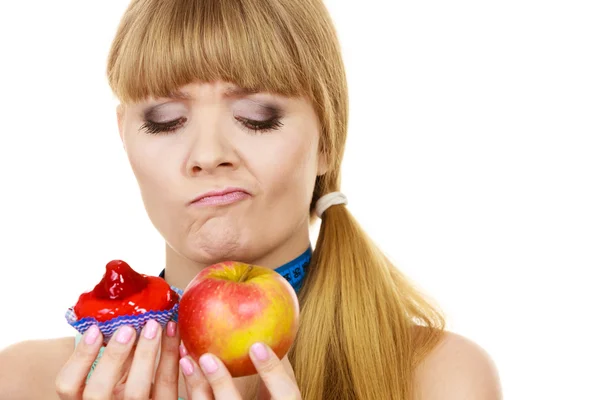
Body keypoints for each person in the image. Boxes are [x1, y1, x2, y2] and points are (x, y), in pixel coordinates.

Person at [0, 0, 502, 399]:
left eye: (258, 116)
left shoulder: (439, 380)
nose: (209, 154)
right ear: (125, 137)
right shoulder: (26, 383)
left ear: (327, 138)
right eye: (165, 120)